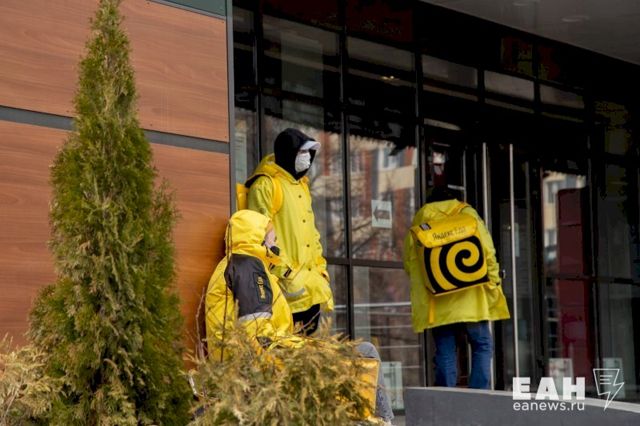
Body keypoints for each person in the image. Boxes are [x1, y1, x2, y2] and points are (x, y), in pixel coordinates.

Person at [205, 210, 394, 424]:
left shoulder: (240, 266)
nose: (276, 243)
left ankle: (367, 420)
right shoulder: (248, 266)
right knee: (365, 353)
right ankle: (381, 421)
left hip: (253, 363)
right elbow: (257, 337)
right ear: (259, 239)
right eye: (273, 238)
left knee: (357, 357)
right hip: (261, 367)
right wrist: (304, 349)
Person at [403, 186, 510, 389]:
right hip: (471, 296)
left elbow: (410, 262)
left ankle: (446, 396)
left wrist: (431, 282)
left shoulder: (421, 219)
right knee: (481, 344)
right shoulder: (467, 213)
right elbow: (487, 250)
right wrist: (494, 280)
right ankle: (479, 395)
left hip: (439, 298)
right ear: (455, 199)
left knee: (445, 348)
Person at [246, 128, 333, 335]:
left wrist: (321, 272)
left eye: (309, 152)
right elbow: (259, 238)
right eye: (301, 152)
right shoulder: (266, 185)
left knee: (308, 350)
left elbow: (313, 237)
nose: (307, 157)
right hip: (286, 291)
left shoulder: (302, 187)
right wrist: (286, 274)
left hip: (311, 290)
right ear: (288, 153)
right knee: (286, 349)